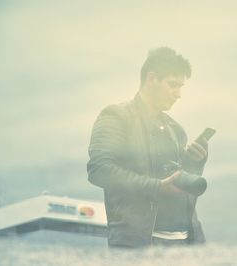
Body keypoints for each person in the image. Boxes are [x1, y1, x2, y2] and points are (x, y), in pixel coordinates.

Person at [87, 47, 209, 248]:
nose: (178, 94)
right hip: (139, 244)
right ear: (152, 79)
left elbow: (178, 186)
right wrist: (155, 187)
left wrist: (194, 164)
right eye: (173, 85)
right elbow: (99, 170)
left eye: (181, 87)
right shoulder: (116, 117)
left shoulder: (175, 129)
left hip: (187, 244)